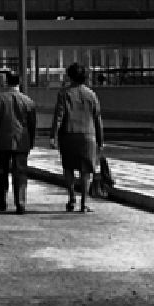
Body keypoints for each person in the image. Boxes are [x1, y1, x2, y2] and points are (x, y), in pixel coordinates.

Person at [49, 62, 104, 213]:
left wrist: (53, 135)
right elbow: (97, 118)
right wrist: (100, 139)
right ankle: (84, 202)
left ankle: (72, 196)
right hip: (88, 136)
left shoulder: (64, 93)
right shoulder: (91, 94)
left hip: (68, 135)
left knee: (68, 167)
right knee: (86, 171)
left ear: (70, 76)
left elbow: (59, 116)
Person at [0, 71, 38, 214]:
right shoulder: (28, 102)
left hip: (2, 142)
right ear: (19, 82)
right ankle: (20, 202)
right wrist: (31, 141)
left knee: (1, 172)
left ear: (6, 82)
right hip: (21, 142)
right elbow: (32, 125)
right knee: (20, 173)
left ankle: (1, 200)